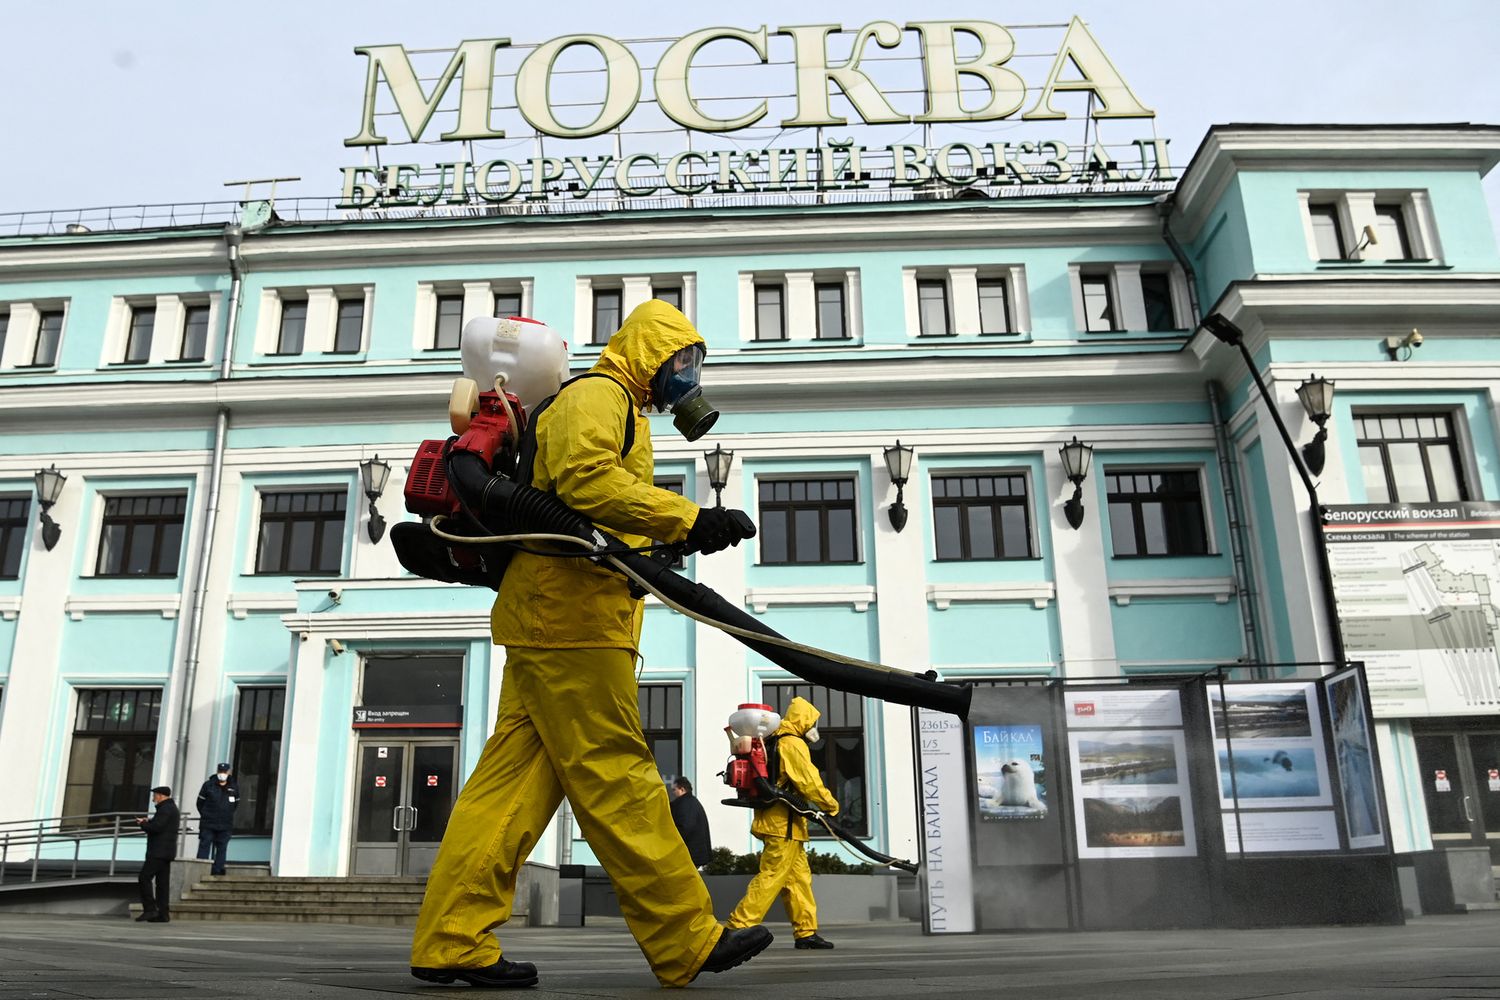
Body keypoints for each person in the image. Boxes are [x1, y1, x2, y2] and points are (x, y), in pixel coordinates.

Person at [409, 300, 764, 989]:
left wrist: (665, 536)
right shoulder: (599, 395)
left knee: (507, 791)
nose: (688, 377)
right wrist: (688, 518)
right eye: (681, 360)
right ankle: (685, 936)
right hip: (570, 620)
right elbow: (585, 482)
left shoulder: (614, 406)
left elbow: (592, 496)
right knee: (616, 770)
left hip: (558, 617)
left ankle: (452, 940)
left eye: (695, 364)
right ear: (649, 354)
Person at [726, 696, 839, 950]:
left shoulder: (773, 740)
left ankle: (806, 933)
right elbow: (808, 782)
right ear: (803, 721)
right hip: (783, 825)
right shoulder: (792, 744)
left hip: (788, 824)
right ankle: (738, 926)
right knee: (771, 876)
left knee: (798, 880)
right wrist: (831, 805)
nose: (814, 728)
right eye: (813, 722)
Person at [135, 786, 179, 924]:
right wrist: (149, 821)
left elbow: (157, 828)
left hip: (158, 851)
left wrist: (143, 824)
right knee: (162, 883)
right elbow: (161, 825)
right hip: (166, 851)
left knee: (144, 877)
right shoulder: (170, 809)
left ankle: (150, 909)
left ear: (160, 796)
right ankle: (163, 914)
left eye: (155, 795)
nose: (153, 798)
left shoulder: (165, 809)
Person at [195, 762, 239, 876]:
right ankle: (200, 870)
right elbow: (200, 803)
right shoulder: (208, 785)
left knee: (222, 847)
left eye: (224, 772)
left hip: (225, 824)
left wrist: (226, 814)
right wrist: (206, 814)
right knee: (205, 845)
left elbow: (235, 804)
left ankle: (218, 870)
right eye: (220, 771)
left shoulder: (233, 786)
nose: (222, 774)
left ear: (229, 772)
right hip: (208, 823)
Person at [669, 777, 713, 869]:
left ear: (682, 789)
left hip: (689, 854)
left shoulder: (684, 804)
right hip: (695, 854)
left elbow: (684, 828)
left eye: (674, 790)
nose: (673, 793)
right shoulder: (692, 802)